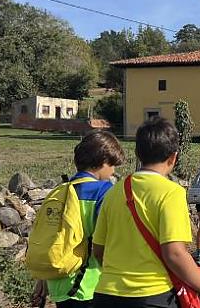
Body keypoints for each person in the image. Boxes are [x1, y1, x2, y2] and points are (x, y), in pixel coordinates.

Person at [92, 117, 200, 307]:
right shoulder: (171, 193)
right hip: (152, 294)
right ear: (173, 158)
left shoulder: (114, 191)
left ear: (137, 153)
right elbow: (175, 254)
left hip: (106, 294)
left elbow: (98, 250)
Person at [30, 131, 126, 308]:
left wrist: (43, 278)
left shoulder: (59, 191)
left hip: (58, 285)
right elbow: (108, 242)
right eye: (113, 165)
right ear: (103, 161)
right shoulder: (103, 191)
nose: (114, 171)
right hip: (90, 285)